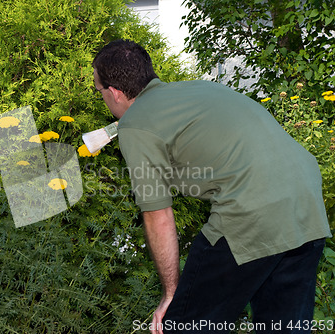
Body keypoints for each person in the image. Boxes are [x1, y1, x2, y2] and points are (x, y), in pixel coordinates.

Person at [92, 39, 332, 333]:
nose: (101, 97)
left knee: (185, 326)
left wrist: (172, 294)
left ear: (115, 92)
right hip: (305, 207)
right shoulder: (201, 89)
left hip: (251, 213)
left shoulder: (136, 124)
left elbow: (158, 216)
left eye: (99, 91)